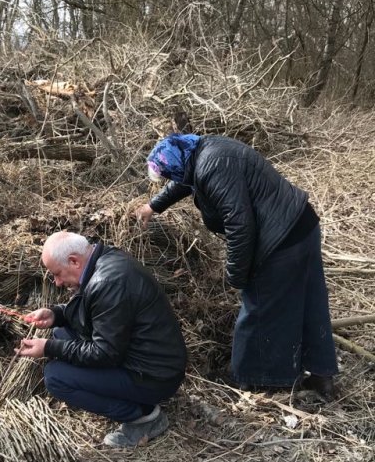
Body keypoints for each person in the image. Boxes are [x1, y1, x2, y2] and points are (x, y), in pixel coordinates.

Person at [136, 133, 338, 398]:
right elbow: (186, 182)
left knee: (258, 308)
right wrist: (153, 206)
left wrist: (237, 276)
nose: (170, 180)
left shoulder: (212, 166)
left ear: (177, 165)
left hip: (280, 239)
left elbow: (240, 225)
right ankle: (322, 377)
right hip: (301, 225)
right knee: (310, 302)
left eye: (169, 175)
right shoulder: (199, 150)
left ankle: (253, 377)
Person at [14, 231, 187, 448]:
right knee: (60, 332)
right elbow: (97, 314)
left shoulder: (109, 282)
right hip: (146, 358)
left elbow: (104, 354)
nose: (57, 282)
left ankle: (143, 417)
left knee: (56, 377)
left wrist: (48, 347)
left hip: (154, 375)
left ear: (74, 261)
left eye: (57, 274)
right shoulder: (103, 259)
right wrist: (56, 314)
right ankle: (119, 396)